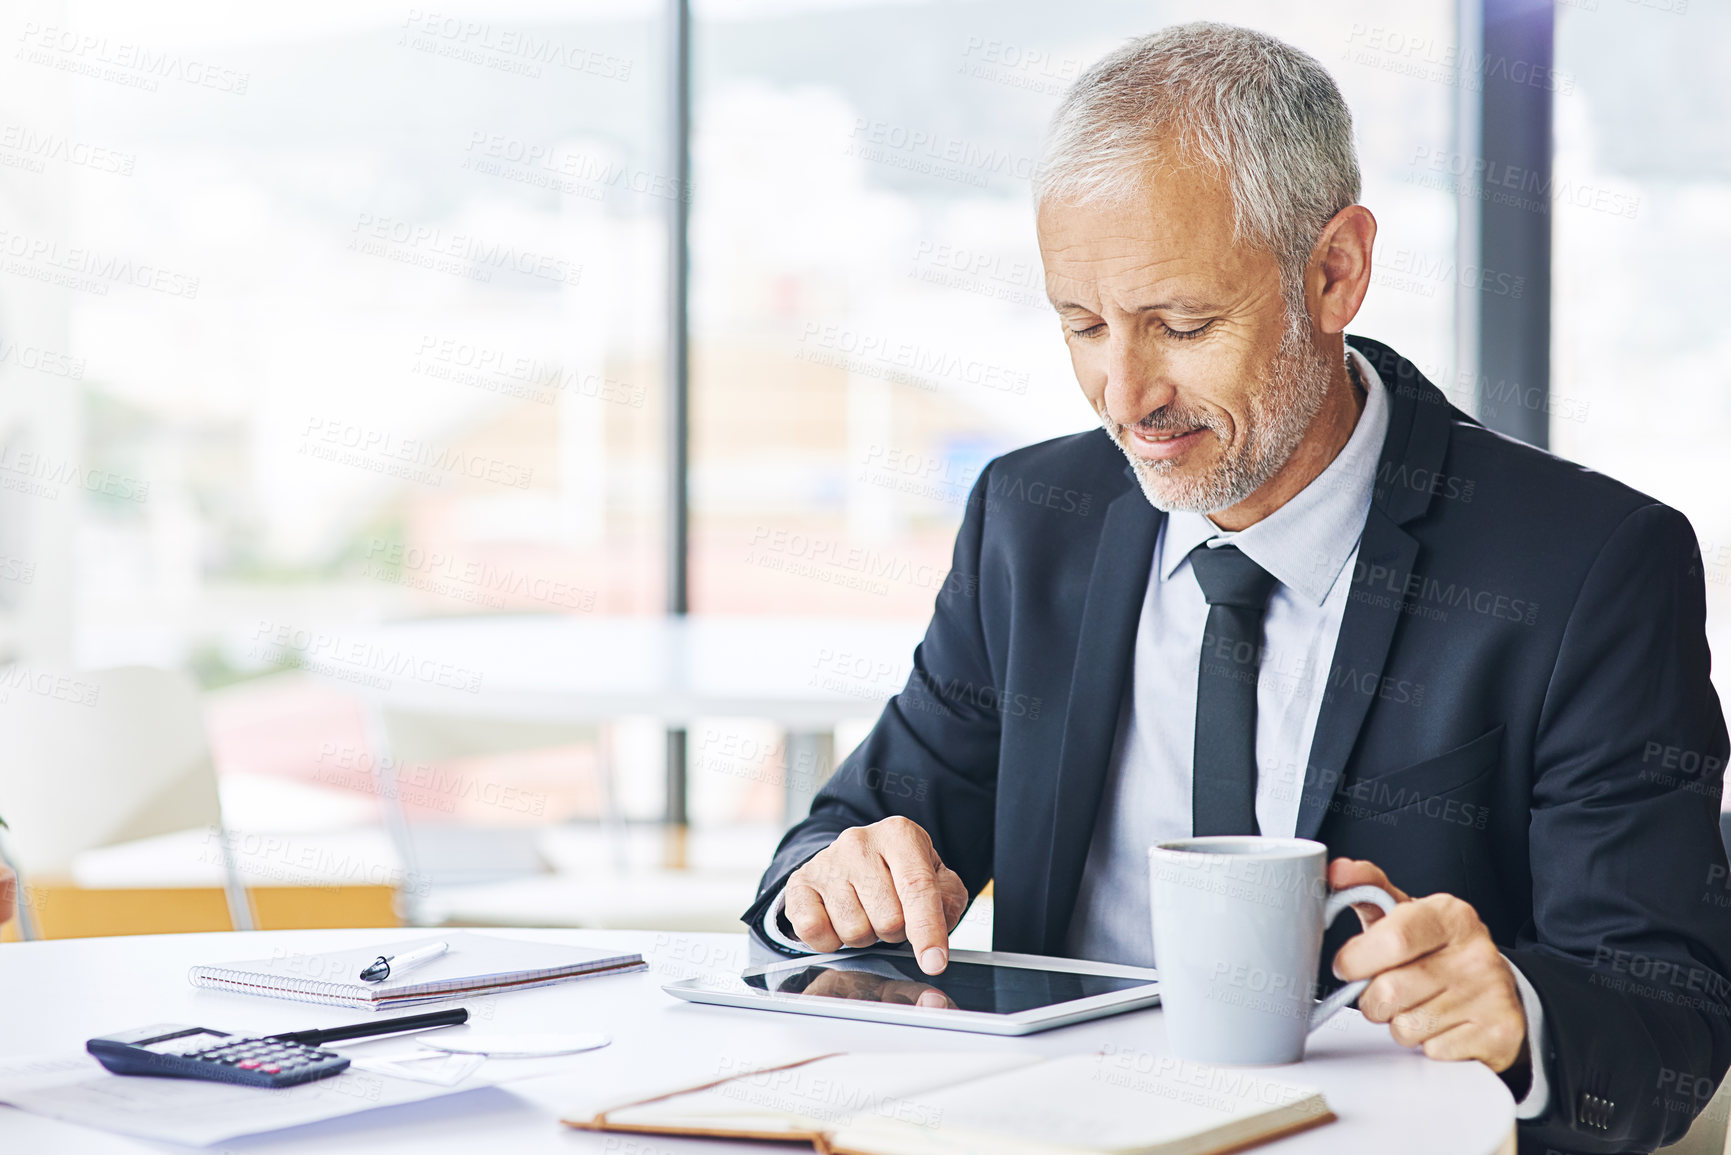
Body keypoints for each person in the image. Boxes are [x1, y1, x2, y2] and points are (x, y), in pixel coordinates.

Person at [742, 21, 1731, 1155]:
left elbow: (1669, 1014)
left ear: (1335, 272)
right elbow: (840, 850)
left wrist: (1516, 1019)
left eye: (1183, 324)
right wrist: (838, 880)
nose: (1127, 397)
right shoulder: (1033, 522)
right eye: (1083, 326)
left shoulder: (1588, 564)